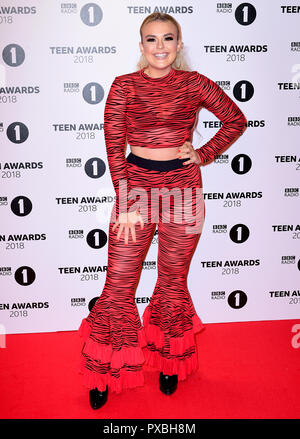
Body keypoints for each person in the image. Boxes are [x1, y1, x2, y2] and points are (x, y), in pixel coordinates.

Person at [78, 12, 247, 410]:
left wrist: (202, 153)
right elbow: (113, 146)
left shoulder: (194, 84)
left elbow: (235, 120)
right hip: (136, 189)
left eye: (167, 39)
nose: (160, 47)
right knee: (119, 284)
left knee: (172, 282)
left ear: (178, 44)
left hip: (184, 192)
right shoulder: (124, 87)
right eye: (151, 40)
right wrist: (125, 201)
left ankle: (169, 362)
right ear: (141, 46)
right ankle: (105, 371)